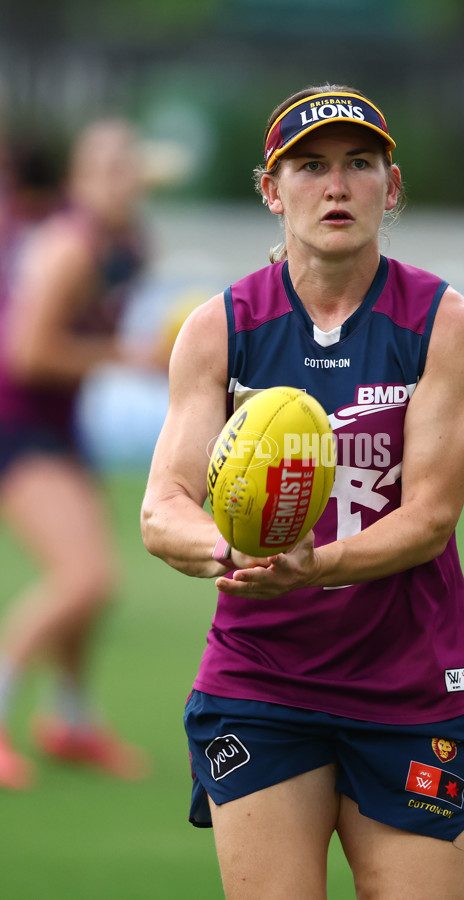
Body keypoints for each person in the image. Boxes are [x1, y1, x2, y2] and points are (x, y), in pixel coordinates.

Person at [141, 84, 464, 900]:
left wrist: (316, 561)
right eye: (309, 167)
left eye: (359, 165)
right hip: (259, 679)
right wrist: (236, 551)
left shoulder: (446, 324)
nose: (336, 187)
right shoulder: (219, 328)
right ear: (271, 190)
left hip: (413, 682)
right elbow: (164, 510)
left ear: (390, 188)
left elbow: (430, 522)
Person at [0, 118, 160, 790]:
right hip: (17, 425)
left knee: (91, 588)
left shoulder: (128, 244)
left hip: (62, 428)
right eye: (106, 166)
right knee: (86, 579)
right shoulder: (71, 245)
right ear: (78, 180)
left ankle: (69, 720)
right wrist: (130, 357)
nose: (122, 177)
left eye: (129, 163)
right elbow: (27, 353)